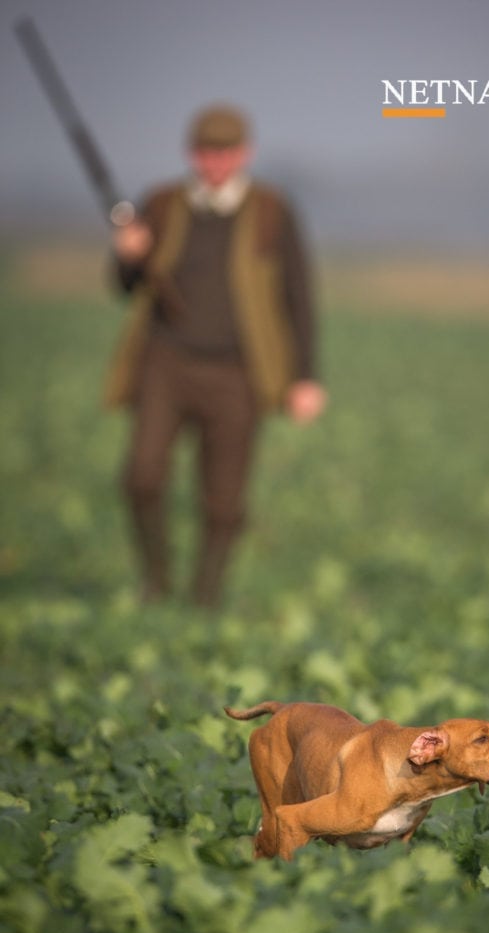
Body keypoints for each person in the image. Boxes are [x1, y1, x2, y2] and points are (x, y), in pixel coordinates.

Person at [105, 104, 326, 606]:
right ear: (192, 154)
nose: (215, 164)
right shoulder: (161, 204)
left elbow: (299, 295)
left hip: (239, 371)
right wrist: (127, 255)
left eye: (225, 154)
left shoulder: (272, 210)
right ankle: (156, 581)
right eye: (206, 154)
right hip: (166, 361)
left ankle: (206, 596)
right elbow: (124, 286)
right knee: (141, 476)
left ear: (244, 154)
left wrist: (305, 377)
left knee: (225, 503)